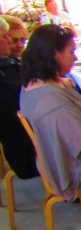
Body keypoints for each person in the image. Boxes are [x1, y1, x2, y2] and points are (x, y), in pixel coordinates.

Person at [19, 25, 81, 201]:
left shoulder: (34, 84)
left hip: (67, 159)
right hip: (79, 168)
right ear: (54, 54)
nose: (75, 57)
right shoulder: (49, 101)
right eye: (71, 52)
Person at [0, 17, 37, 179]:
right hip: (29, 153)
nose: (10, 42)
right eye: (5, 36)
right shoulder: (5, 74)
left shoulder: (11, 64)